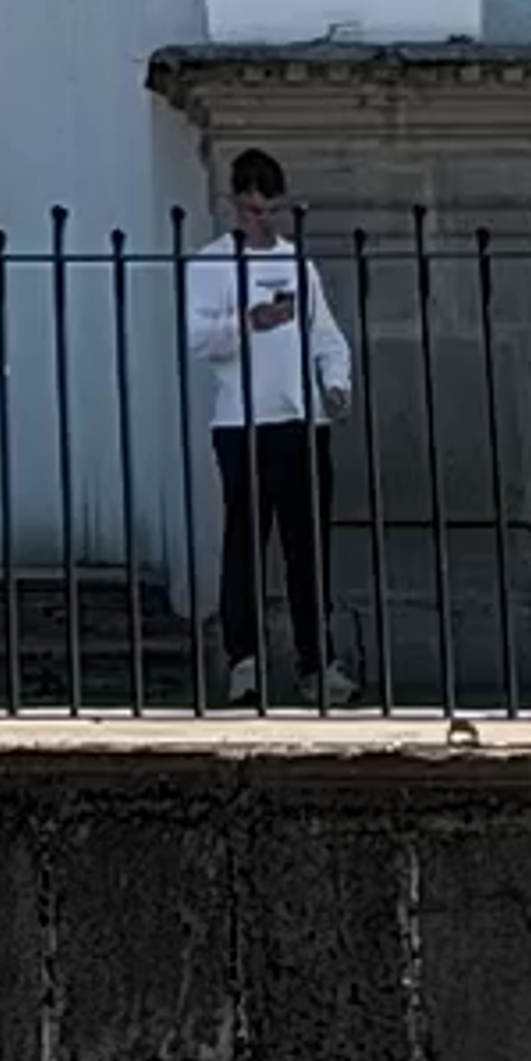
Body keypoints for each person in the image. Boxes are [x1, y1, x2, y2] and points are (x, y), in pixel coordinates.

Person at [183, 150, 359, 705]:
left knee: (308, 549)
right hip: (243, 422)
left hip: (302, 419)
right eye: (255, 211)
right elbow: (197, 338)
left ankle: (317, 664)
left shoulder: (297, 264)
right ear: (236, 206)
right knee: (245, 546)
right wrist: (246, 323)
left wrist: (337, 382)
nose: (266, 222)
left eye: (273, 211)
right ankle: (244, 662)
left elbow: (325, 334)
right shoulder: (211, 264)